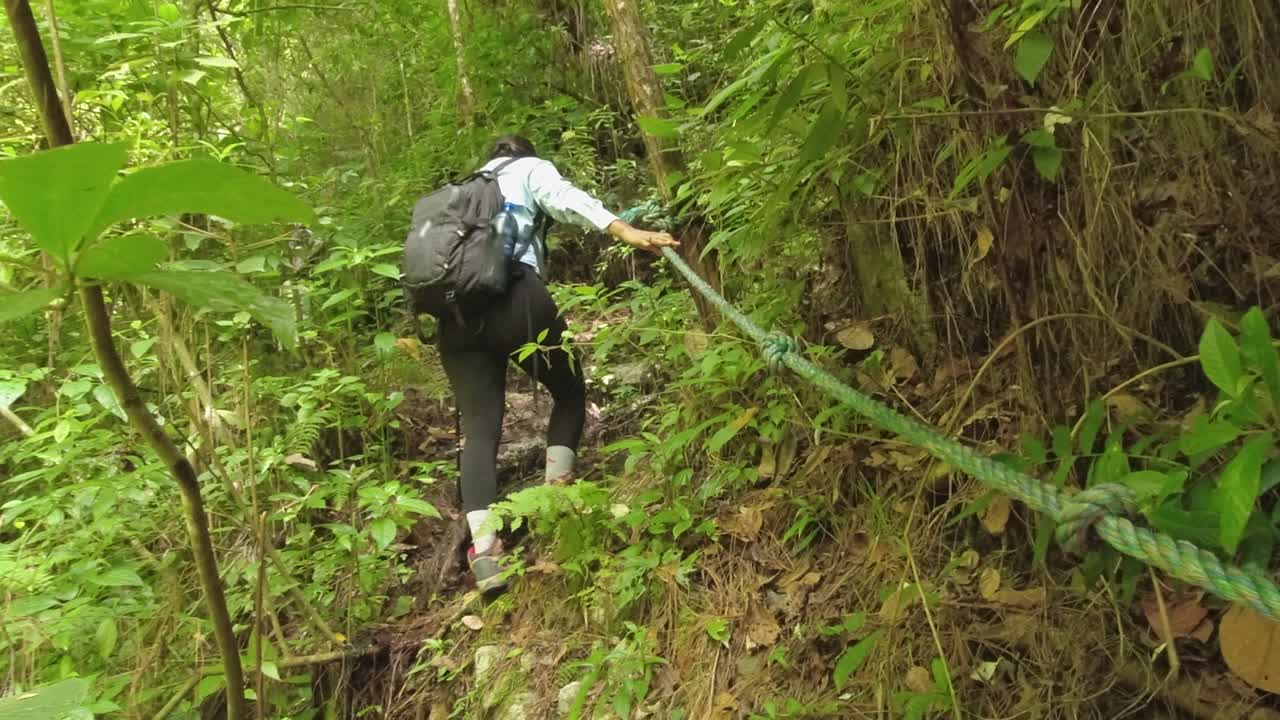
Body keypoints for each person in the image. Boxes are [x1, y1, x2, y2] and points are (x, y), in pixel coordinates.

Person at [440, 135, 679, 593]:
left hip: (454, 315)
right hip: (513, 294)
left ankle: (485, 553)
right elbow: (562, 197)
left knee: (481, 428)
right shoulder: (529, 168)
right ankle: (559, 499)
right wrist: (623, 229)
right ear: (524, 154)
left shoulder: (463, 190)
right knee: (569, 391)